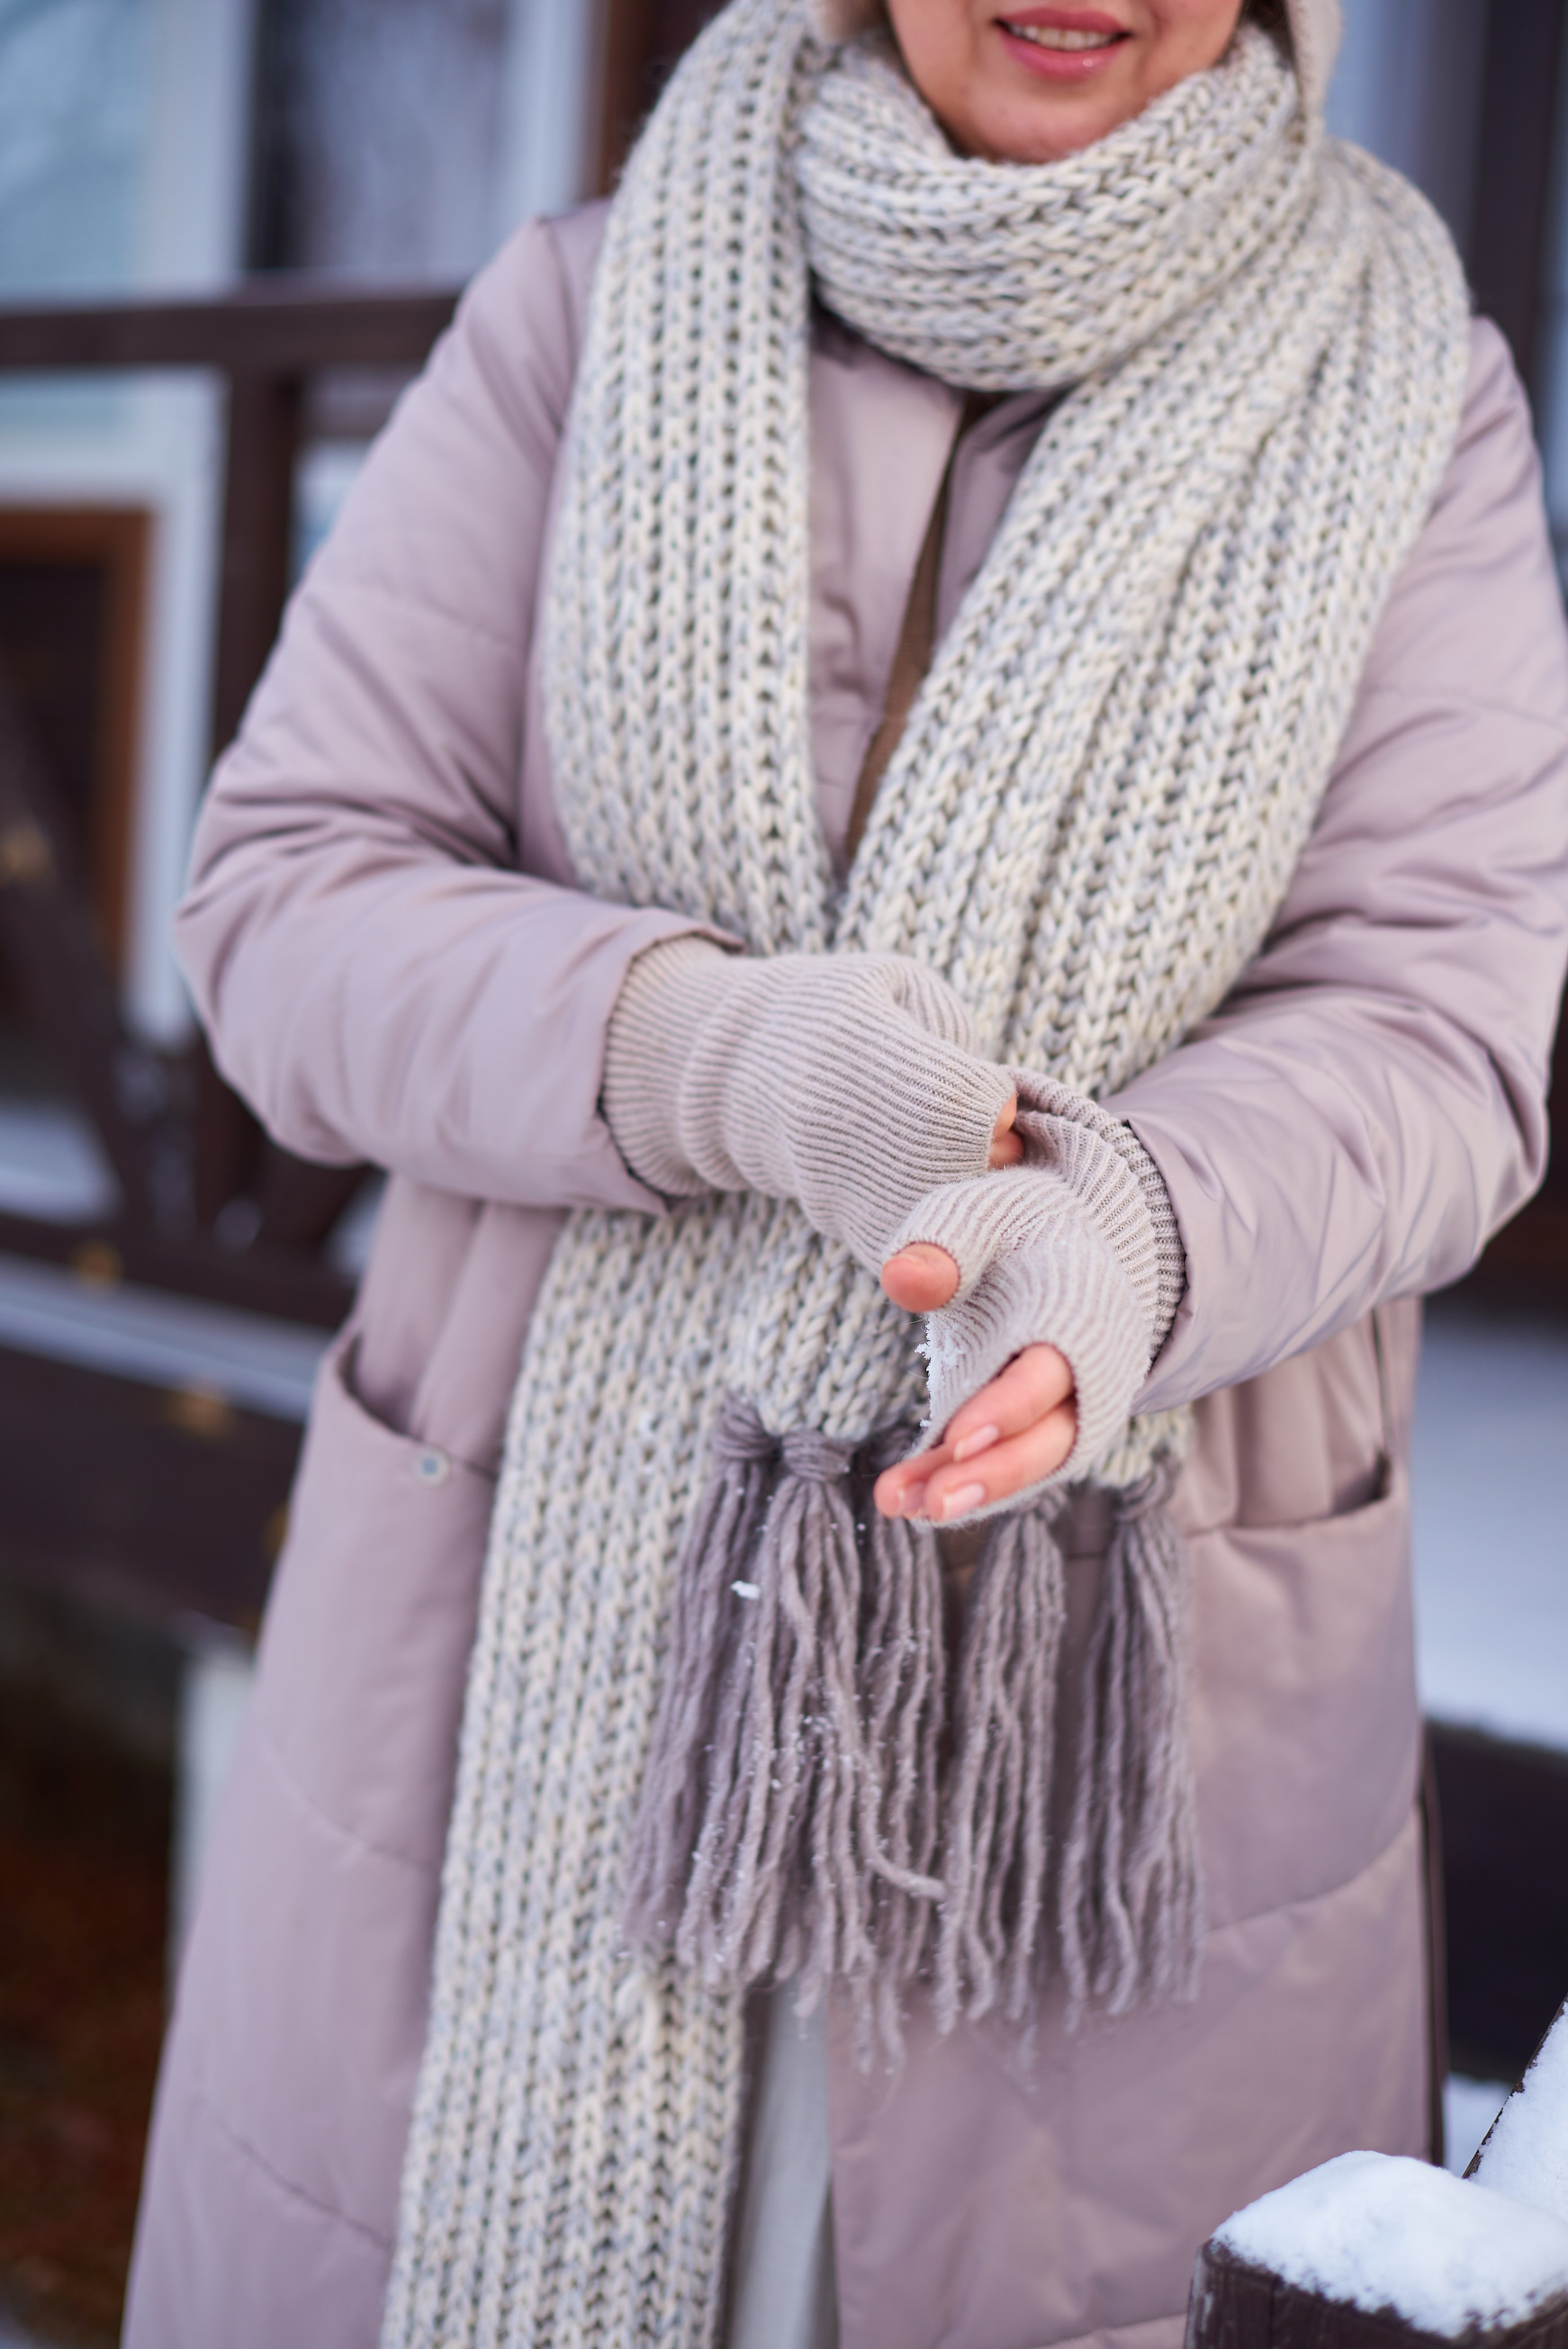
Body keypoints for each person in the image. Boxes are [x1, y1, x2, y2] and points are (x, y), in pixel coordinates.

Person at [125, 1, 1568, 2343]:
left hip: (1122, 1636)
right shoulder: (584, 309)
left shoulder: (1413, 378)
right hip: (526, 1626)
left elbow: (1441, 1032)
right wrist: (703, 1050)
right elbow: (284, 899)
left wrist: (1137, 1231)